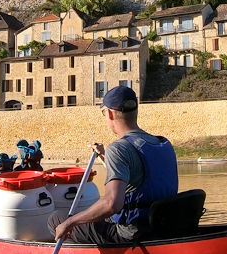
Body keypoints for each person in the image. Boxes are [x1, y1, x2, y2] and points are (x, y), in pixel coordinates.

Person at [49, 85, 178, 244]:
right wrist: (105, 157)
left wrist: (70, 222)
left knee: (57, 220)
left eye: (103, 113)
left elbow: (111, 204)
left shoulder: (119, 149)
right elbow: (140, 177)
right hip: (162, 226)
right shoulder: (162, 143)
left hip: (132, 233)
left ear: (109, 113)